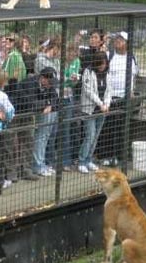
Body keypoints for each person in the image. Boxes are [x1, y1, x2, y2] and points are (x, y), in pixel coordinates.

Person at [100, 30, 139, 166]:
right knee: (108, 127)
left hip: (125, 98)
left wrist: (132, 91)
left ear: (126, 43)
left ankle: (119, 156)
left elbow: (134, 76)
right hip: (111, 98)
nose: (118, 41)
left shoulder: (132, 58)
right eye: (117, 39)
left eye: (121, 40)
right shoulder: (110, 56)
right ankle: (106, 156)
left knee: (122, 128)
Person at [79, 51, 111, 173]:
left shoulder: (107, 73)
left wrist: (107, 104)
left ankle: (89, 159)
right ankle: (82, 161)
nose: (102, 66)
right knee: (90, 135)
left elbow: (109, 90)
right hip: (89, 110)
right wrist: (100, 104)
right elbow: (88, 91)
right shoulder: (88, 72)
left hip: (102, 110)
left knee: (96, 136)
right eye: (100, 64)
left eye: (104, 63)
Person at [24, 67, 59, 177]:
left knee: (44, 136)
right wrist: (47, 104)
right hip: (23, 115)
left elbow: (55, 98)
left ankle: (41, 164)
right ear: (43, 78)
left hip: (39, 114)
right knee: (39, 137)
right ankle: (37, 166)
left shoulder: (49, 85)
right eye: (49, 82)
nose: (51, 85)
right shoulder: (30, 83)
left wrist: (49, 104)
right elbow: (31, 103)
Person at [60, 43, 81, 171]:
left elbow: (74, 80)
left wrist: (74, 79)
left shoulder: (77, 61)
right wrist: (68, 78)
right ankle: (51, 159)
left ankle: (66, 161)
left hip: (69, 95)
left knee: (67, 128)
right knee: (54, 130)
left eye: (75, 54)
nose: (72, 56)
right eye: (70, 53)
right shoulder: (60, 61)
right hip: (58, 95)